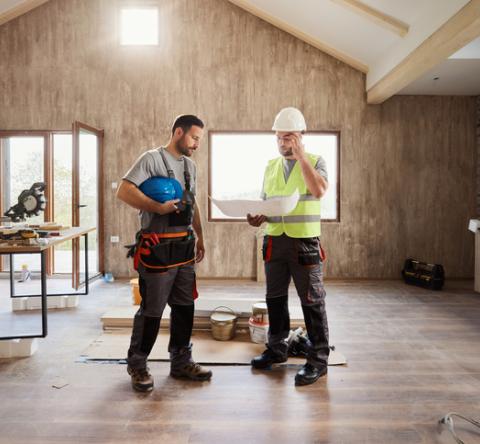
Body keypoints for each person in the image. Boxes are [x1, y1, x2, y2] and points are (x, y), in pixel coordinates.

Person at [117, 114, 212, 392]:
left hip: (184, 248)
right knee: (152, 311)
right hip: (156, 249)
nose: (196, 144)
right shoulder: (151, 159)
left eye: (199, 140)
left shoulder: (190, 167)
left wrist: (201, 237)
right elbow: (124, 190)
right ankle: (137, 363)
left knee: (184, 307)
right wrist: (156, 208)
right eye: (194, 138)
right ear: (179, 132)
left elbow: (191, 204)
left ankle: (181, 361)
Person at [247, 107, 330, 386]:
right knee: (275, 299)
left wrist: (301, 156)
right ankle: (277, 348)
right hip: (274, 240)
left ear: (301, 136)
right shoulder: (270, 166)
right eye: (280, 138)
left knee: (312, 301)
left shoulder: (316, 161)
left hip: (304, 242)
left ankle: (318, 360)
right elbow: (267, 204)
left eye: (289, 138)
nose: (284, 143)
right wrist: (257, 217)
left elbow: (318, 191)